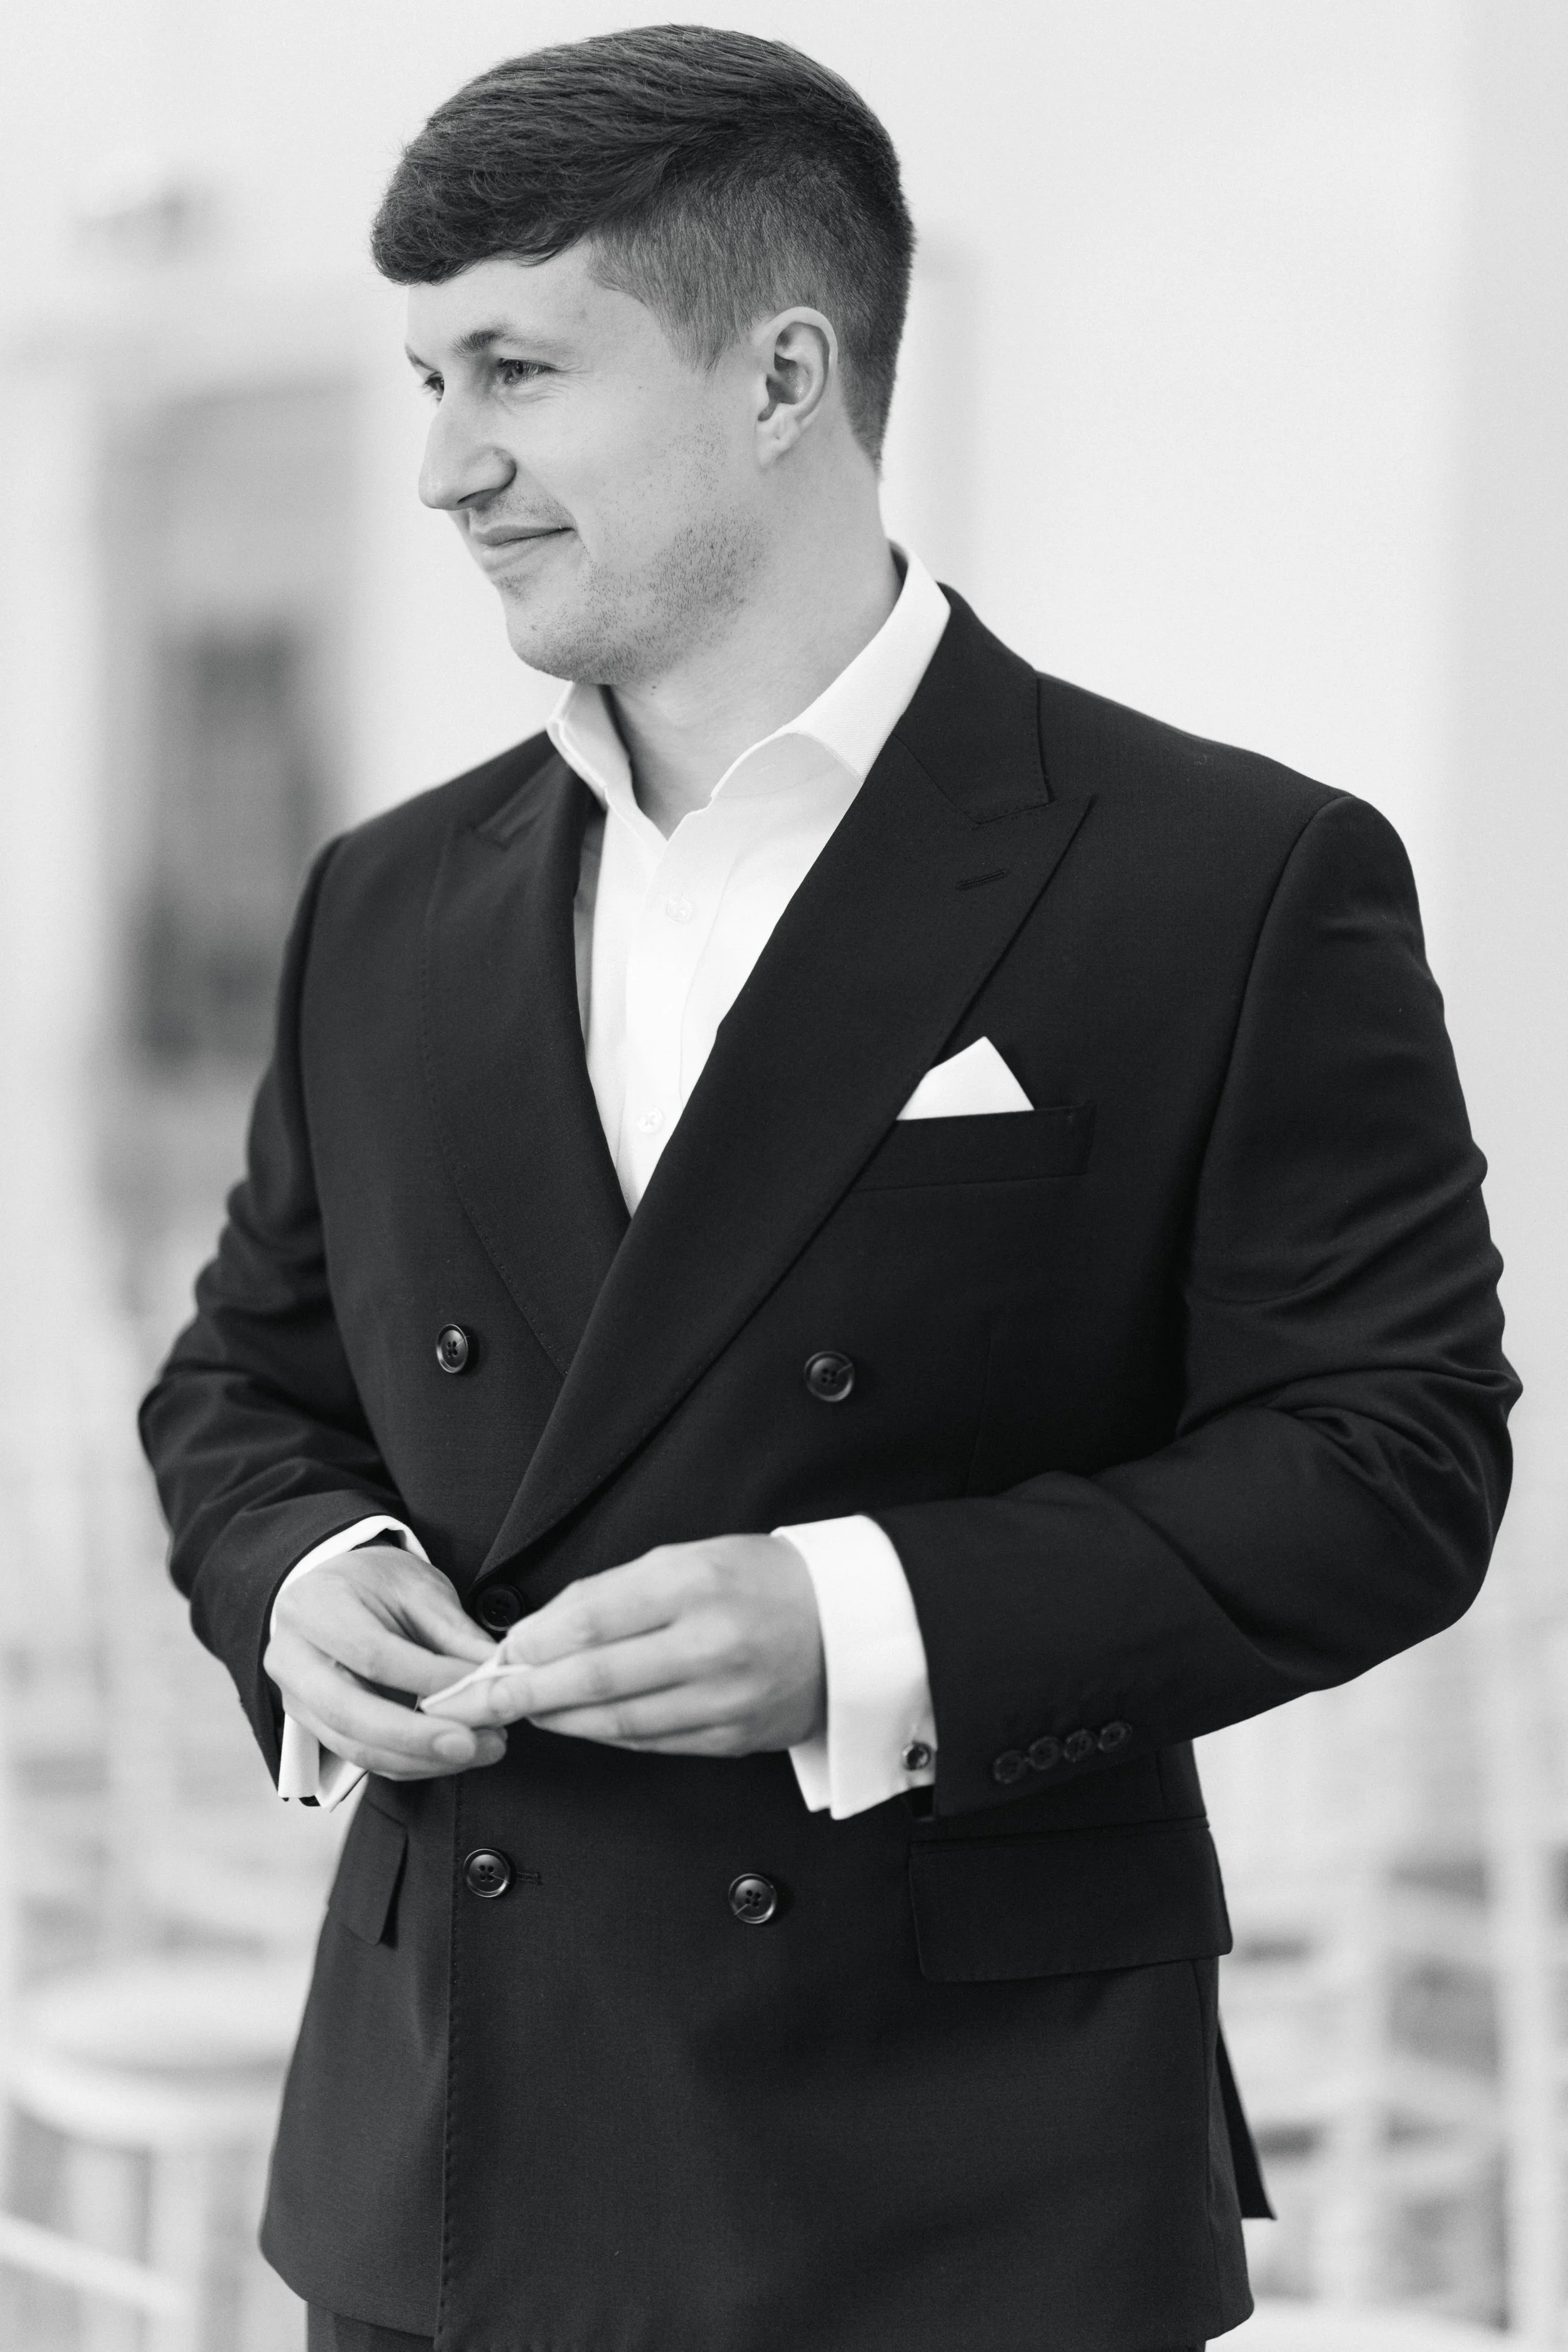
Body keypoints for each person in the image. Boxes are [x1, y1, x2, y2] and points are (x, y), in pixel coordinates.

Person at [139, 26, 1518, 2352]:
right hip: (442, 2154)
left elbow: (1389, 1459)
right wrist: (304, 1574)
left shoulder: (1225, 876)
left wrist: (858, 1619)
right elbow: (244, 1378)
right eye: (423, 377)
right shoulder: (384, 899)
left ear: (783, 371)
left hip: (955, 2174)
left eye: (514, 369)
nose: (445, 465)